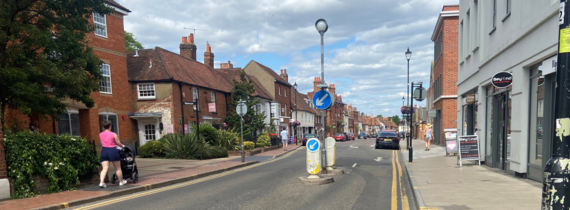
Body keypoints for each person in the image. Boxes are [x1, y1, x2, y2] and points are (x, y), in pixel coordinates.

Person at [99, 120, 127, 188]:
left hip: (104, 151)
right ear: (110, 126)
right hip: (112, 151)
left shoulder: (100, 134)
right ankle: (121, 181)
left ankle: (101, 182)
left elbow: (103, 143)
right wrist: (122, 146)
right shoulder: (113, 134)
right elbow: (118, 142)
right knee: (118, 168)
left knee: (104, 168)